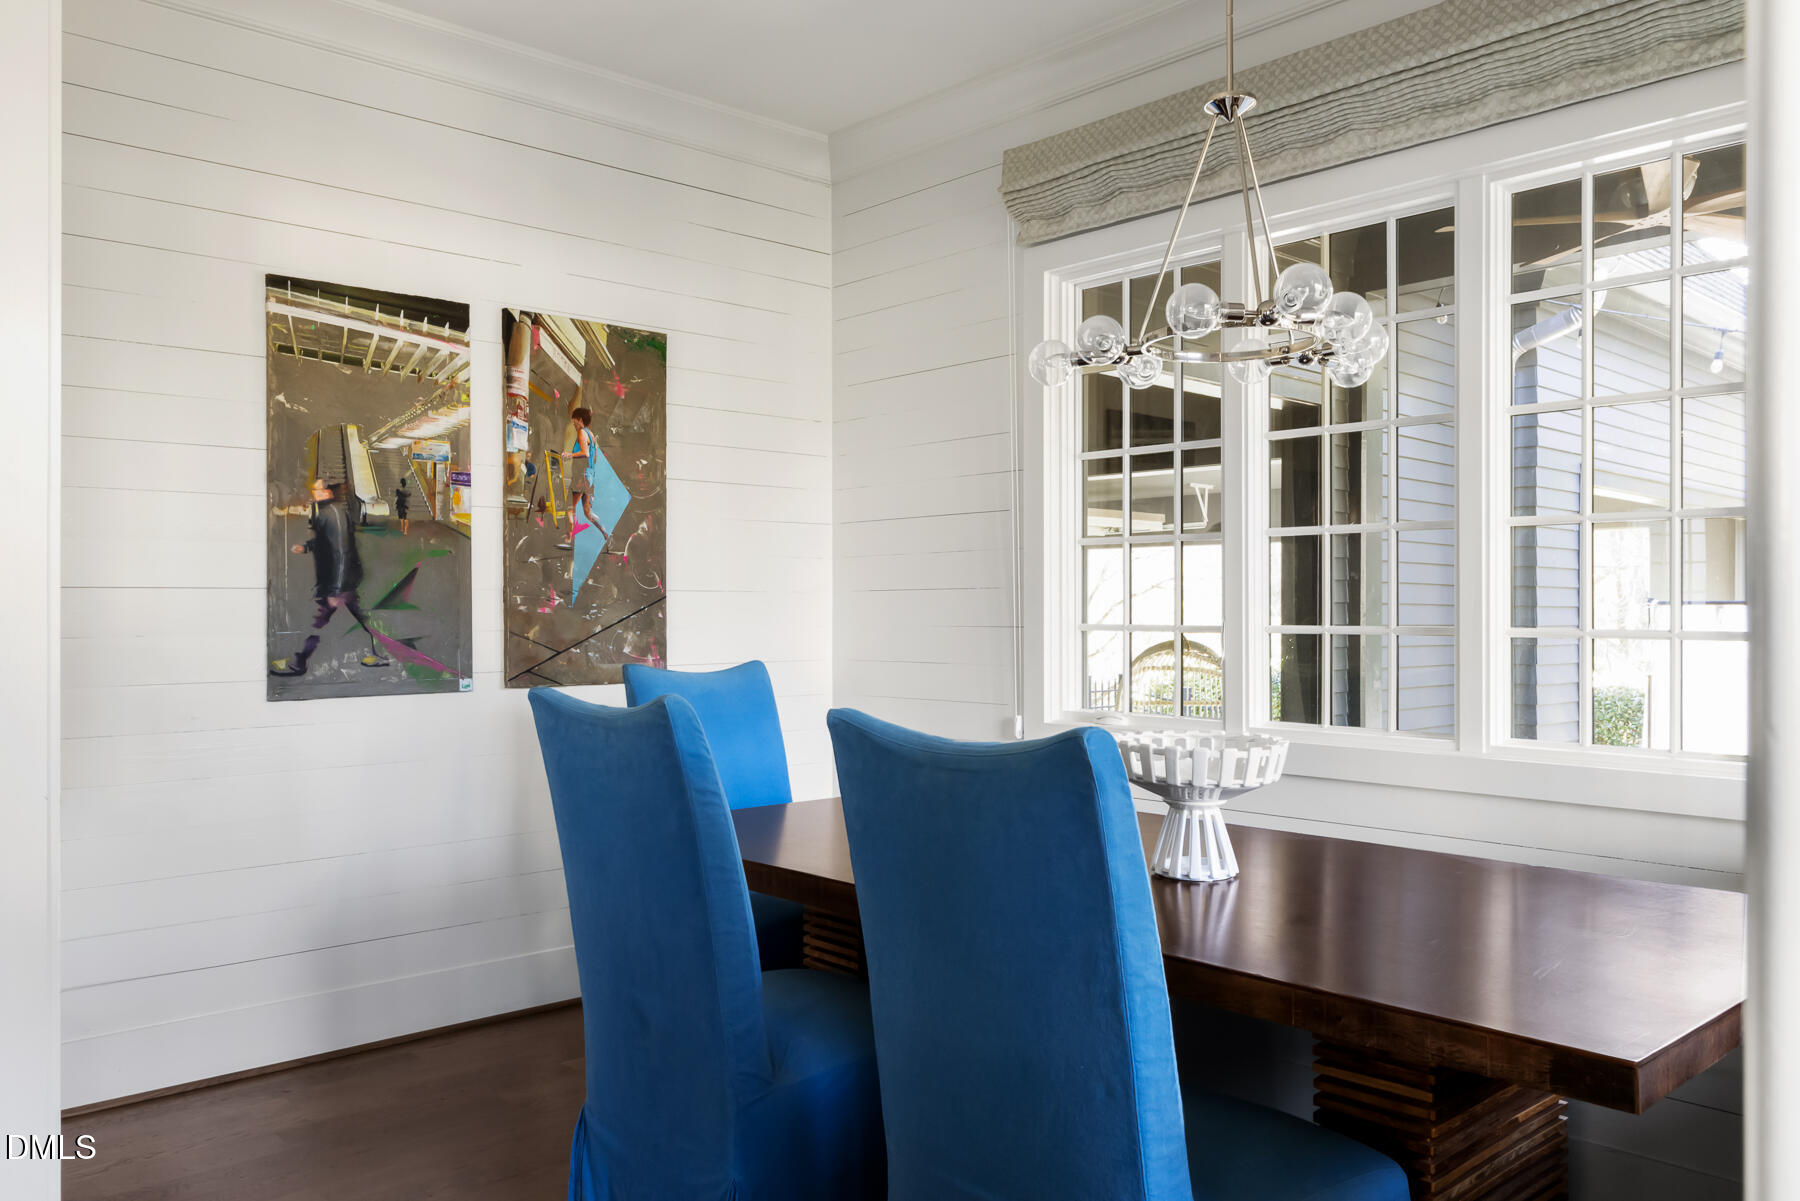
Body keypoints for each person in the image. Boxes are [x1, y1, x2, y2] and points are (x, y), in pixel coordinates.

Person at [270, 478, 388, 677]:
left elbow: (341, 551)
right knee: (359, 617)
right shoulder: (327, 512)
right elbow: (325, 541)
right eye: (314, 490)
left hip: (339, 581)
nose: (313, 494)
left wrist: (336, 589)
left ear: (327, 492)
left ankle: (299, 662)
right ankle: (378, 654)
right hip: (342, 579)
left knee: (317, 621)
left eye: (317, 490)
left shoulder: (332, 514)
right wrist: (306, 547)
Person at [557, 406, 608, 551]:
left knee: (570, 507)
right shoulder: (591, 435)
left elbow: (585, 453)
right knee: (587, 512)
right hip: (589, 475)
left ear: (580, 420)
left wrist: (569, 455)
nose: (574, 425)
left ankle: (569, 540)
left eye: (574, 421)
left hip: (581, 475)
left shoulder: (581, 432)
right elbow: (594, 457)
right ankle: (606, 534)